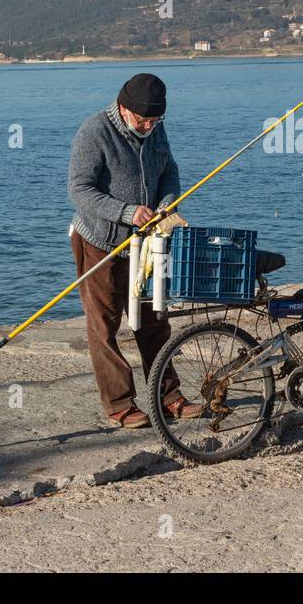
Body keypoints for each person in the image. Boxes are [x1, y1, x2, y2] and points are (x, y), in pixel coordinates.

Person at [67, 73, 201, 428]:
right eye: (143, 120)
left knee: (155, 319)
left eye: (155, 120)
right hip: (100, 243)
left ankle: (168, 395)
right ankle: (119, 403)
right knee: (104, 324)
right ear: (123, 109)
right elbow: (79, 190)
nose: (148, 126)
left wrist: (167, 203)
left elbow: (169, 171)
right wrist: (127, 212)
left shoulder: (156, 130)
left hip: (147, 245)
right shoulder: (94, 131)